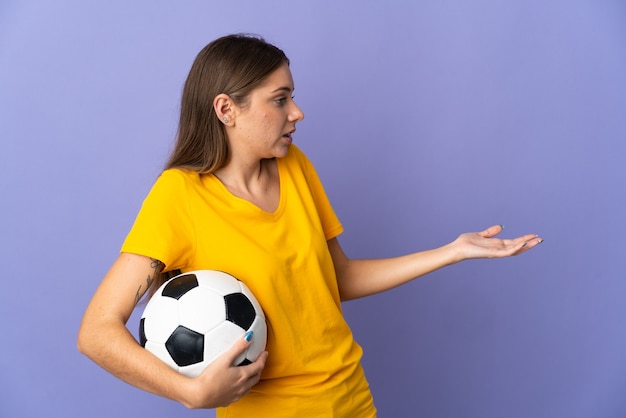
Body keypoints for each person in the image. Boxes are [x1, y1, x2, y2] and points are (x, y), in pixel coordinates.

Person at [77, 34, 543, 417]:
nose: (296, 112)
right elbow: (97, 332)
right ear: (226, 110)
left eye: (292, 97)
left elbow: (333, 279)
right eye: (280, 100)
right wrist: (191, 392)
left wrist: (452, 251)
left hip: (352, 399)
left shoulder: (294, 165)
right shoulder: (180, 195)